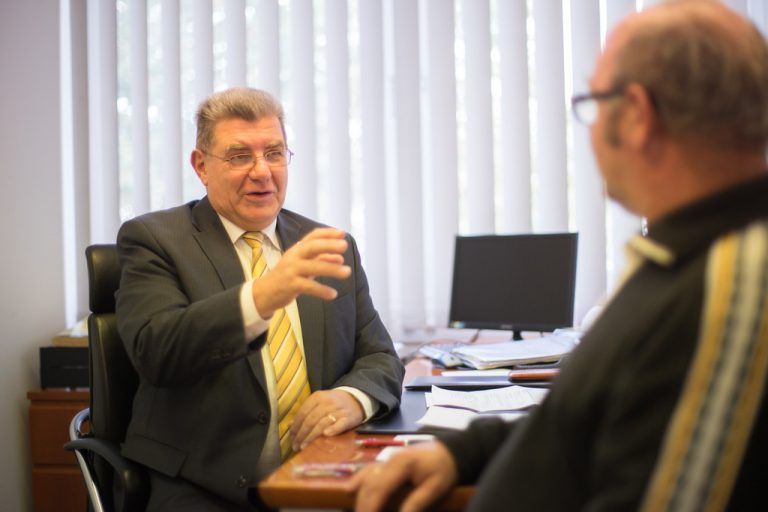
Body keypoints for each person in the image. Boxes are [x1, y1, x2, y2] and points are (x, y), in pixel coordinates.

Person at [353, 1, 768, 511]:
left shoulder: (733, 289)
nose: (589, 130)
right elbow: (590, 425)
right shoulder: (682, 258)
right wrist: (465, 452)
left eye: (592, 103)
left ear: (637, 115)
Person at [115, 87, 404, 511]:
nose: (261, 171)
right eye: (238, 156)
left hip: (318, 476)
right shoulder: (155, 240)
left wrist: (353, 398)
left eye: (274, 153)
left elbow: (379, 355)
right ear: (201, 166)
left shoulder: (325, 244)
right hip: (202, 485)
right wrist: (262, 296)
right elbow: (157, 350)